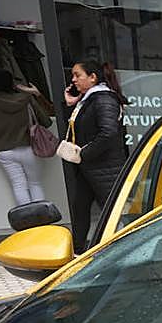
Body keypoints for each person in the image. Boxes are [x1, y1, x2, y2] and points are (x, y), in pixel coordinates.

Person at [63, 59, 127, 253]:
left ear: (92, 77)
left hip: (104, 167)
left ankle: (123, 251)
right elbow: (80, 127)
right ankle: (78, 251)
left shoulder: (103, 99)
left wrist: (83, 154)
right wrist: (71, 104)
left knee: (111, 212)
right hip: (90, 167)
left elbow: (108, 133)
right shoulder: (89, 100)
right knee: (80, 207)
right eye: (73, 75)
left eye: (77, 75)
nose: (73, 80)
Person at [0, 68, 51, 206]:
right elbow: (46, 121)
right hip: (28, 147)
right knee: (35, 184)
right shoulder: (25, 99)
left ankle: (28, 218)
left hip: (4, 150)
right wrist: (35, 93)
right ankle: (41, 216)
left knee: (18, 185)